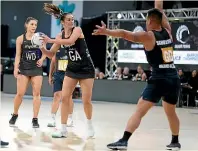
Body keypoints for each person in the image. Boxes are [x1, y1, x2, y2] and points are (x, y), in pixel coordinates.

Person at [93, 0, 181, 150]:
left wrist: (106, 32)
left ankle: (124, 140)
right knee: (171, 112)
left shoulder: (148, 36)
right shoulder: (167, 30)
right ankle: (175, 141)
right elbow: (159, 8)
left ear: (150, 21)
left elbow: (123, 33)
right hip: (173, 77)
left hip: (159, 78)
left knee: (139, 111)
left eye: (146, 20)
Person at [40, 3, 95, 138]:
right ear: (63, 22)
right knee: (65, 98)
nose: (71, 21)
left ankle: (89, 125)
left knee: (86, 100)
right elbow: (52, 54)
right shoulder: (60, 35)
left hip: (86, 69)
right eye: (69, 19)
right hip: (71, 69)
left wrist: (50, 39)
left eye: (72, 19)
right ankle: (63, 129)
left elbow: (70, 41)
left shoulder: (78, 30)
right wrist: (42, 47)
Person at [9, 17, 46, 128]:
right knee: (20, 94)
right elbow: (18, 55)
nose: (34, 26)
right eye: (32, 24)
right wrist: (16, 68)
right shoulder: (20, 39)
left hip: (36, 69)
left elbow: (46, 52)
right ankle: (15, 114)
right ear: (26, 25)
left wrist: (42, 59)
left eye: (35, 24)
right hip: (24, 69)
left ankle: (35, 119)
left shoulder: (40, 38)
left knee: (37, 94)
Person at [47, 44, 74, 127]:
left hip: (69, 75)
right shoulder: (57, 47)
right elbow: (53, 62)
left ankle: (69, 118)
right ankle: (52, 118)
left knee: (68, 97)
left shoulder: (73, 47)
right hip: (58, 74)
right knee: (56, 96)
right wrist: (50, 75)